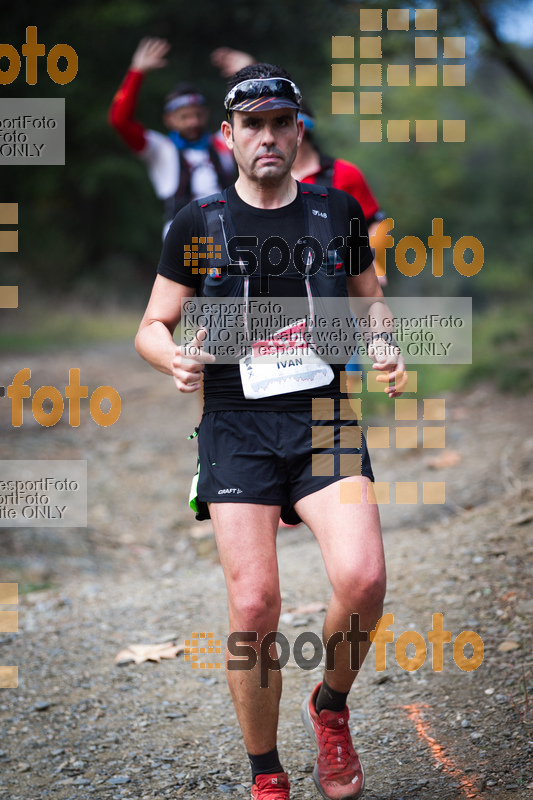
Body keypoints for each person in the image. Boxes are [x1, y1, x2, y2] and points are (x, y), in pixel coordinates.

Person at [135, 63, 405, 800]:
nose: (267, 137)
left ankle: (331, 708)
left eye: (281, 123)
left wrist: (382, 341)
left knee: (364, 579)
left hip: (321, 416)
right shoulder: (199, 222)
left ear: (297, 132)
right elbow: (152, 326)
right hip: (235, 425)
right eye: (251, 124)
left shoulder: (335, 210)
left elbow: (371, 302)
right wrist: (172, 358)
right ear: (227, 137)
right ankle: (266, 771)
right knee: (254, 605)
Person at [109, 37, 235, 238]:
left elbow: (257, 118)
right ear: (169, 120)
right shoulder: (161, 150)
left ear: (207, 114)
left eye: (198, 115)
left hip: (225, 230)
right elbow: (119, 121)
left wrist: (249, 69)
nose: (193, 122)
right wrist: (137, 72)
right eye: (184, 117)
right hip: (184, 235)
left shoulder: (224, 141)